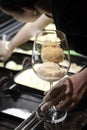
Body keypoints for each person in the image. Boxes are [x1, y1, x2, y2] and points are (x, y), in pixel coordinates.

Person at [0, 0, 87, 111]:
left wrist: (83, 78)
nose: (14, 19)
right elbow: (33, 27)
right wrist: (9, 47)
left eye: (11, 15)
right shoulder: (52, 6)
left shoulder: (69, 14)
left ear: (28, 10)